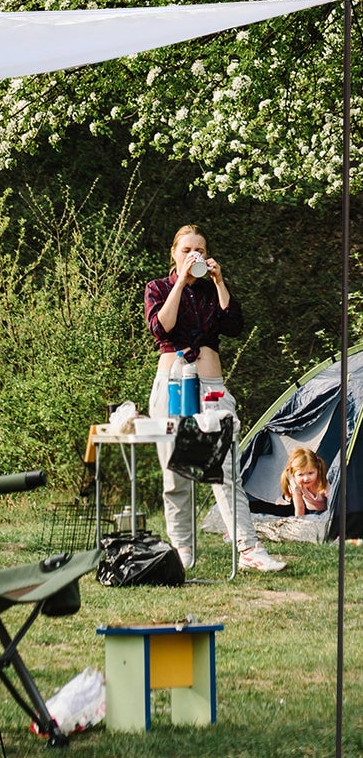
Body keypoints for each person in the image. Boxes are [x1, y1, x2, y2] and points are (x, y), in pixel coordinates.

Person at [143, 225, 287, 572]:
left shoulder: (210, 291)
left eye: (200, 249)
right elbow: (161, 327)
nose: (193, 254)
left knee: (225, 469)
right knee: (175, 470)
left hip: (211, 387)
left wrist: (220, 281)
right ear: (174, 253)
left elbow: (233, 325)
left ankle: (249, 548)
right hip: (173, 384)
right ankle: (181, 551)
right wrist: (179, 281)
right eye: (186, 248)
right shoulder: (158, 288)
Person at [254, 446, 334, 545]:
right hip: (310, 513)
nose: (306, 478)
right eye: (301, 475)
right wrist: (299, 528)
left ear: (318, 469)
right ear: (293, 474)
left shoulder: (324, 483)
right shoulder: (296, 485)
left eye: (310, 473)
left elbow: (334, 504)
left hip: (328, 513)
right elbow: (299, 508)